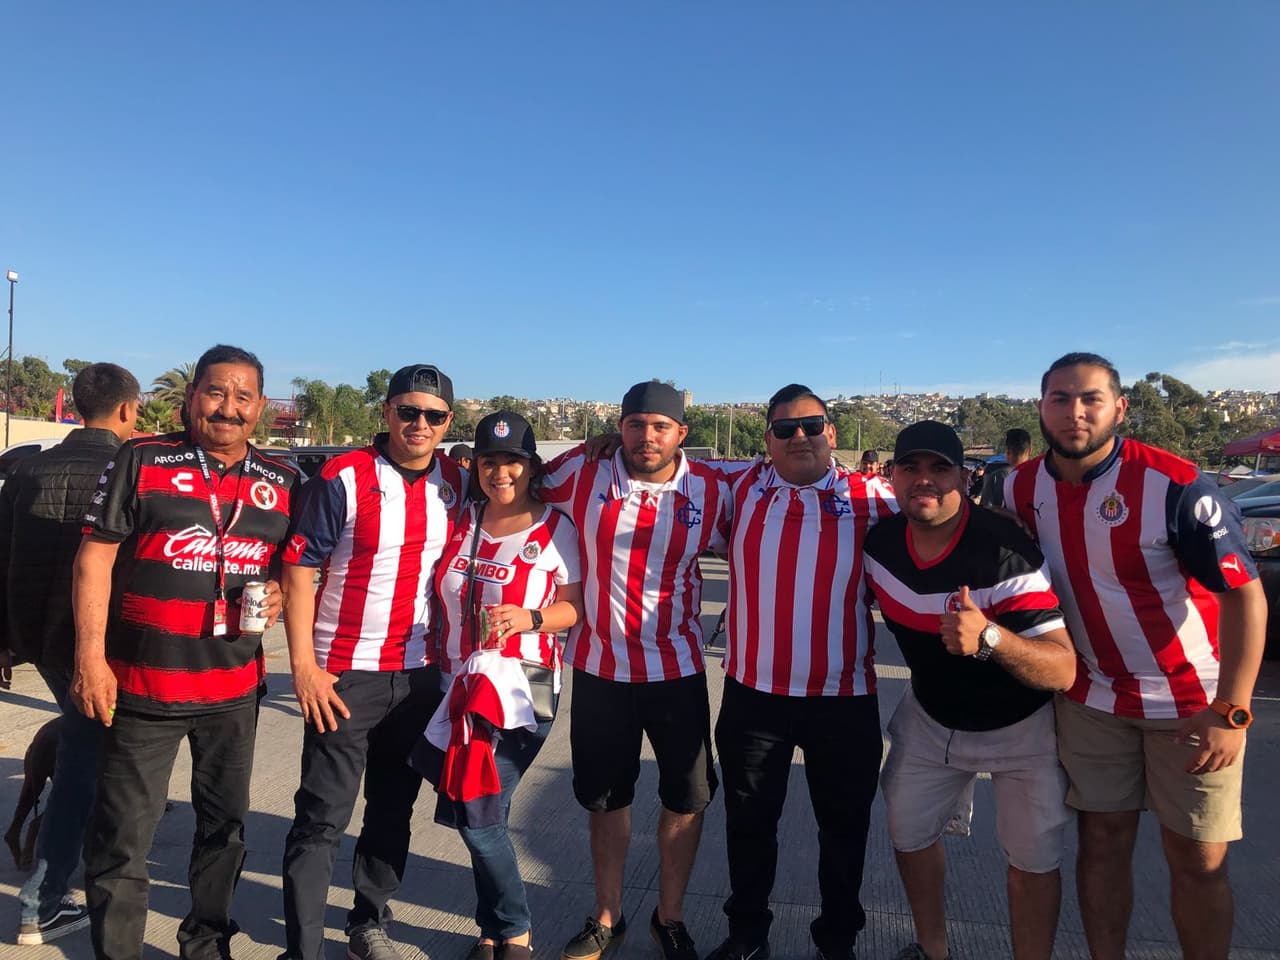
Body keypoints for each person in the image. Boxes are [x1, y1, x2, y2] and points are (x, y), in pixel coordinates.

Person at [1006, 352, 1267, 960]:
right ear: (1041, 408)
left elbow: (1246, 597)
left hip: (1192, 703)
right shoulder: (1020, 487)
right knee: (1101, 847)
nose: (1076, 412)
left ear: (1119, 408)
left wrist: (1233, 709)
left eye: (1091, 398)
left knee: (1198, 860)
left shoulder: (1175, 484)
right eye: (1061, 398)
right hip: (1093, 698)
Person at [72, 344, 297, 960]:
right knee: (123, 839)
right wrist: (90, 658)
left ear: (261, 409)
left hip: (232, 692)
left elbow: (298, 571)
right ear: (191, 396)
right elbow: (95, 556)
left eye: (243, 397)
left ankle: (206, 944)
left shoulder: (282, 481)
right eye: (216, 393)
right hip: (140, 688)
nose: (228, 408)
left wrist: (278, 591)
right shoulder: (142, 458)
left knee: (224, 833)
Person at [863, 420, 1076, 960]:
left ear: (965, 477)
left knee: (1032, 861)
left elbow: (1062, 670)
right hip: (931, 718)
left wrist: (989, 638)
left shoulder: (1004, 551)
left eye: (940, 469)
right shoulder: (880, 542)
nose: (924, 481)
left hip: (1020, 726)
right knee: (908, 835)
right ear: (891, 476)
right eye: (911, 467)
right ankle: (933, 951)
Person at [279, 363, 468, 960]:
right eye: (407, 411)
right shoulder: (344, 476)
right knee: (321, 818)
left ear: (448, 422)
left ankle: (369, 922)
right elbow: (299, 568)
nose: (418, 424)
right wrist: (304, 666)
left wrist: (600, 442)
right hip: (345, 674)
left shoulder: (457, 482)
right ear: (386, 412)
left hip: (417, 676)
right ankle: (302, 948)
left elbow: (532, 479)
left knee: (393, 810)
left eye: (432, 415)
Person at [539, 381, 731, 960]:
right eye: (634, 424)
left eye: (659, 427)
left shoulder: (712, 489)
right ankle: (606, 915)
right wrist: (583, 443)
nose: (646, 437)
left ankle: (668, 918)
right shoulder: (584, 474)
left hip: (676, 672)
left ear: (681, 435)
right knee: (606, 799)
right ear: (618, 427)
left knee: (686, 799)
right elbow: (517, 480)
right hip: (600, 670)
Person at [707, 383, 896, 960]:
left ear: (832, 433)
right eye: (785, 429)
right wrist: (611, 440)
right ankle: (747, 935)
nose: (800, 438)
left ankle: (837, 940)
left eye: (812, 426)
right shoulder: (737, 489)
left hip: (843, 696)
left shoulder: (873, 498)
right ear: (767, 440)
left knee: (843, 831)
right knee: (748, 825)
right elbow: (660, 469)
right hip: (753, 695)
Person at [426, 410, 584, 960]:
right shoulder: (460, 521)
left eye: (513, 462)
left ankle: (514, 931)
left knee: (478, 810)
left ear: (531, 467)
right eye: (490, 461)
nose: (501, 473)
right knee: (482, 812)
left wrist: (530, 618)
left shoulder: (555, 527)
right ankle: (491, 930)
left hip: (523, 689)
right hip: (457, 688)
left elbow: (575, 607)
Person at [0, 363, 140, 944]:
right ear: (129, 411)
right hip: (97, 648)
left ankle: (68, 867)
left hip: (39, 639)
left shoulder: (27, 469)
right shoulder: (126, 470)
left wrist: (4, 640)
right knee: (86, 764)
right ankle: (43, 902)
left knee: (90, 755)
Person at [980, 428, 1031, 510]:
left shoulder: (996, 477)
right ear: (1029, 450)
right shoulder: (1040, 476)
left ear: (1007, 452)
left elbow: (985, 509)